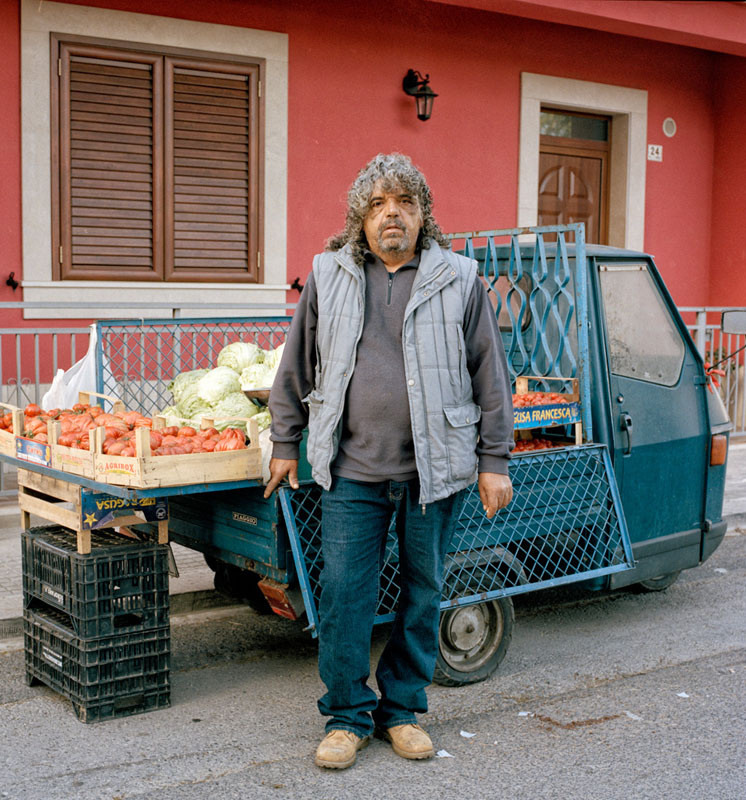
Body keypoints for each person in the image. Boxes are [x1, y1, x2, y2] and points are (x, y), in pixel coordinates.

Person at [264, 152, 514, 769]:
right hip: (351, 470)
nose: (391, 214)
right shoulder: (329, 274)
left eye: (403, 201)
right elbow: (295, 365)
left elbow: (491, 375)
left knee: (423, 593)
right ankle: (347, 716)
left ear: (424, 213)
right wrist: (283, 443)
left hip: (435, 473)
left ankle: (400, 710)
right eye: (377, 204)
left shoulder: (459, 277)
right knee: (345, 594)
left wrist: (495, 460)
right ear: (360, 217)